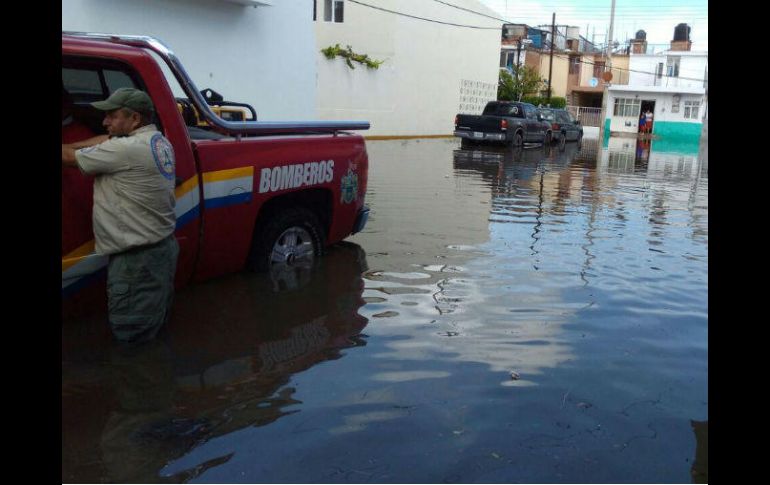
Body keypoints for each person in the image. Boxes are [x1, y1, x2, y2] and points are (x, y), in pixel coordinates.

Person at [62, 88, 179, 343]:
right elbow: (105, 140)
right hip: (160, 252)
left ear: (135, 119)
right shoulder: (156, 140)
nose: (105, 122)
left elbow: (68, 157)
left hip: (136, 263)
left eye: (112, 116)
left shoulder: (126, 150)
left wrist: (68, 147)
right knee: (153, 329)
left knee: (133, 338)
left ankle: (137, 380)